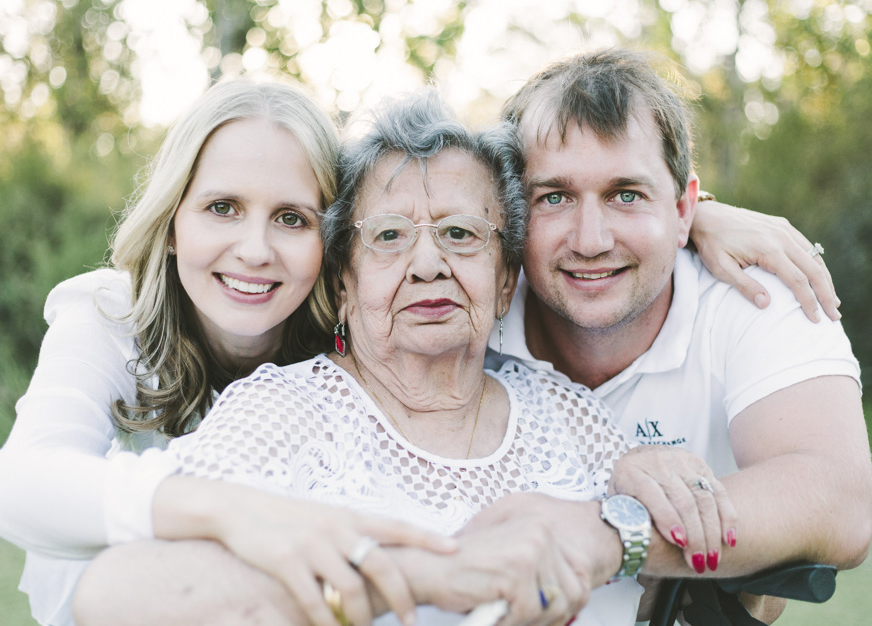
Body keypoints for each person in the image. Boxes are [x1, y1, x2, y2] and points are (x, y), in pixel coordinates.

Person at [73, 90, 739, 626]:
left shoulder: (567, 414)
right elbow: (113, 595)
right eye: (389, 236)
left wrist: (661, 483)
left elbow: (678, 597)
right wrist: (422, 575)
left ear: (506, 279)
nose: (427, 264)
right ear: (343, 284)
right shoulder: (284, 413)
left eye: (459, 233)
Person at [0, 78, 455, 626]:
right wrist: (228, 511)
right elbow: (22, 481)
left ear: (330, 241)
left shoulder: (356, 338)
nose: (255, 251)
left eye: (292, 218)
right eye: (223, 208)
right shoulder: (111, 313)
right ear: (171, 223)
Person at [478, 47, 871, 620]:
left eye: (627, 195)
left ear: (686, 208)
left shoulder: (757, 293)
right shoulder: (463, 311)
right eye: (554, 197)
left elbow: (839, 499)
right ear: (511, 213)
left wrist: (610, 534)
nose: (590, 239)